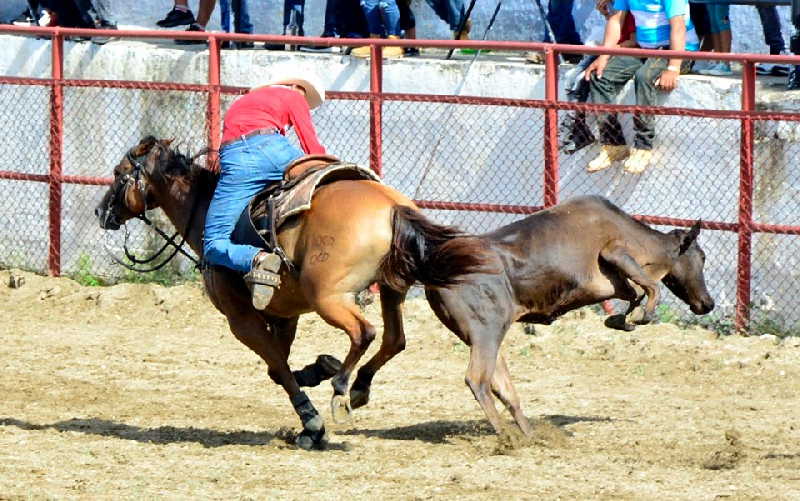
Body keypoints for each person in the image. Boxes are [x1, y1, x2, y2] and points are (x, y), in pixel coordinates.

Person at [203, 77, 326, 310]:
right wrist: (327, 165)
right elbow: (310, 144)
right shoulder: (293, 96)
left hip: (239, 158)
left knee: (213, 243)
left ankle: (257, 258)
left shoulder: (244, 101)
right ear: (295, 86)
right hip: (277, 151)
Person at [584, 0, 699, 174]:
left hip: (678, 50)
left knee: (644, 77)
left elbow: (678, 27)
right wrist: (603, 57)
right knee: (601, 77)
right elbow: (616, 21)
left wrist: (674, 67)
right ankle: (613, 145)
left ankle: (643, 147)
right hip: (644, 49)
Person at [560, 0, 636, 155]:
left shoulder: (632, 10)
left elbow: (633, 42)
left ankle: (578, 128)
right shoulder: (616, 9)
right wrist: (607, 15)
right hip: (608, 50)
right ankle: (576, 126)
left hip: (619, 53)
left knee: (586, 78)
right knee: (571, 77)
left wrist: (607, 51)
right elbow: (614, 32)